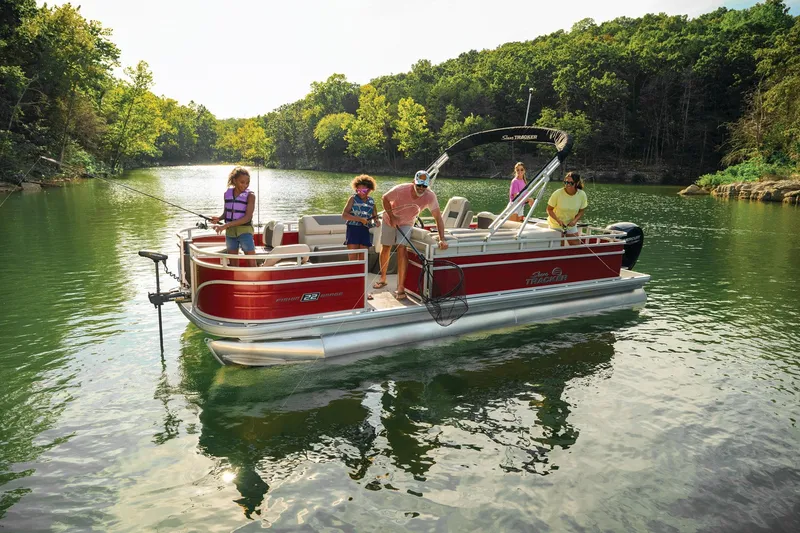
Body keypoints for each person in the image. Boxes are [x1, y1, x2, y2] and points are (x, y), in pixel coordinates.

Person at [374, 170, 449, 300]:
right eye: (419, 185)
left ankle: (401, 286)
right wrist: (392, 217)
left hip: (407, 222)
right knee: (386, 247)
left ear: (427, 186)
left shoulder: (430, 196)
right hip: (389, 219)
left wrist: (442, 239)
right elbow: (385, 198)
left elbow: (438, 218)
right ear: (414, 182)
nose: (421, 188)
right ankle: (383, 278)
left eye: (424, 186)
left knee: (402, 248)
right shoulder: (401, 189)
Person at [210, 166, 256, 266]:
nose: (245, 185)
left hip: (245, 231)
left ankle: (254, 280)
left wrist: (225, 226)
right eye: (242, 182)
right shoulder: (227, 194)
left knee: (251, 260)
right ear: (234, 180)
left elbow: (247, 217)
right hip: (230, 232)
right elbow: (226, 212)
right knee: (233, 261)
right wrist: (219, 218)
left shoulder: (250, 196)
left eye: (247, 183)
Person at [341, 174, 380, 261]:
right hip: (353, 229)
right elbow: (344, 215)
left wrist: (377, 221)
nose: (360, 192)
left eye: (364, 190)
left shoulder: (372, 201)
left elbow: (375, 217)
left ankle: (361, 273)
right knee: (353, 258)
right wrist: (360, 219)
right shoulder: (352, 198)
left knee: (363, 258)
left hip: (364, 230)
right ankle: (353, 273)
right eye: (358, 190)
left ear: (369, 190)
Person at [546, 171, 587, 246]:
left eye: (570, 183)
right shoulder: (557, 193)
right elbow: (549, 209)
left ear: (577, 183)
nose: (567, 184)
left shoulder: (582, 194)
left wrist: (575, 221)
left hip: (570, 225)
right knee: (559, 246)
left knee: (576, 245)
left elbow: (581, 211)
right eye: (566, 182)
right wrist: (558, 220)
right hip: (556, 224)